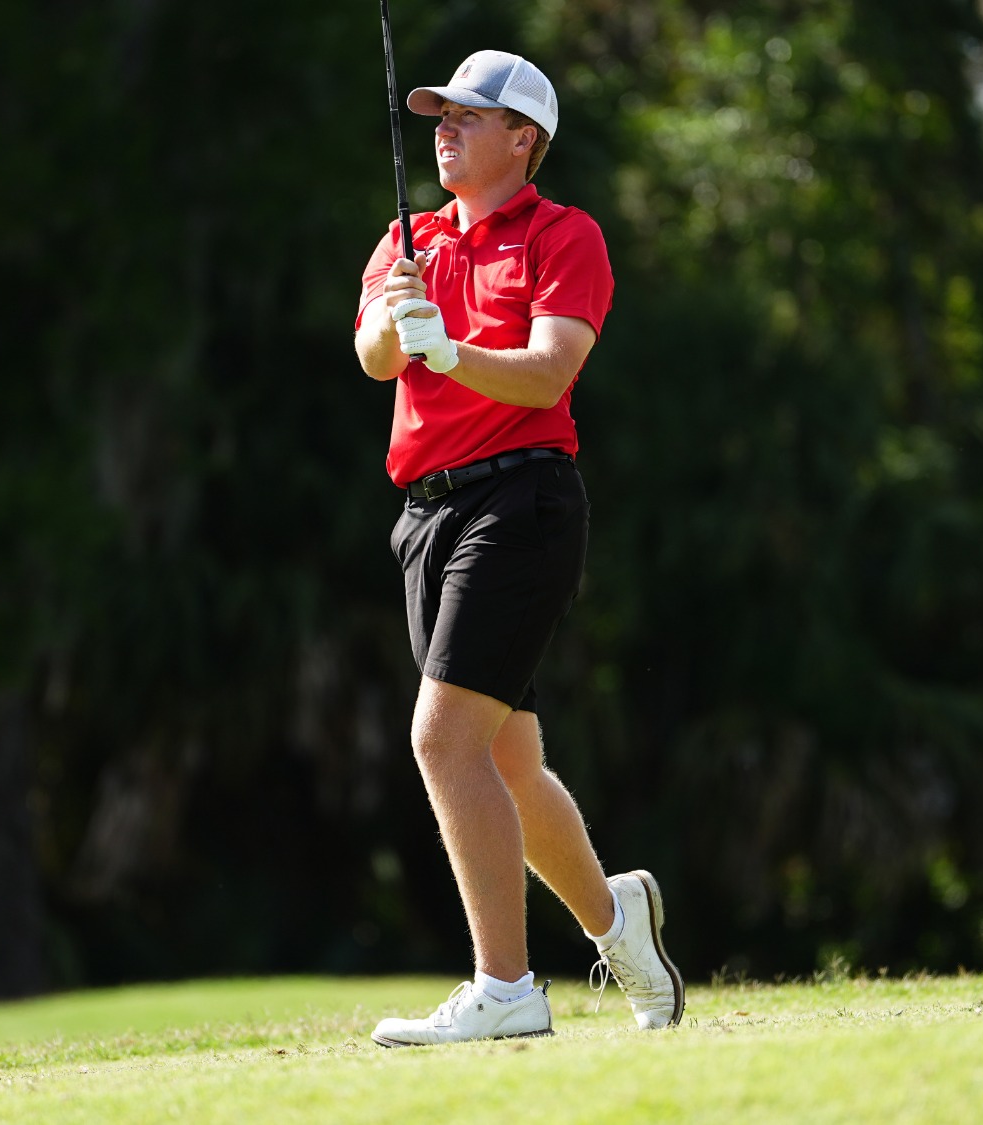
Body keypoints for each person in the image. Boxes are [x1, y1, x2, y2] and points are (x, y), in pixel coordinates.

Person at [352, 49, 684, 1045]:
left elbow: (546, 376)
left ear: (523, 138)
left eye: (466, 115)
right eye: (438, 115)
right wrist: (397, 319)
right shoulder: (407, 235)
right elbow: (369, 357)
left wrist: (447, 348)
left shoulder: (562, 235)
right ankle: (617, 919)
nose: (442, 128)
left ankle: (505, 988)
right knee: (505, 760)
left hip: (521, 503)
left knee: (440, 738)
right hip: (425, 514)